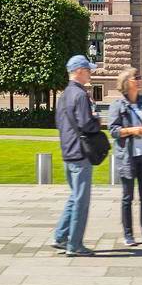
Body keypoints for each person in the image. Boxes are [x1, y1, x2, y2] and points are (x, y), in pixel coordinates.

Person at [52, 54, 103, 257]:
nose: (90, 73)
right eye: (88, 70)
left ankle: (60, 236)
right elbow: (86, 124)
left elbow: (59, 123)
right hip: (81, 153)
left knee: (74, 197)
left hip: (67, 151)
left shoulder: (64, 95)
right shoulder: (81, 95)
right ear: (79, 71)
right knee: (81, 201)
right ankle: (75, 245)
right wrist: (97, 121)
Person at [107, 68, 142, 247]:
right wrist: (132, 130)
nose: (139, 80)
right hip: (127, 157)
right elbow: (113, 130)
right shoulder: (117, 105)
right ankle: (128, 235)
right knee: (127, 197)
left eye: (139, 77)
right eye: (136, 78)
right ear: (127, 82)